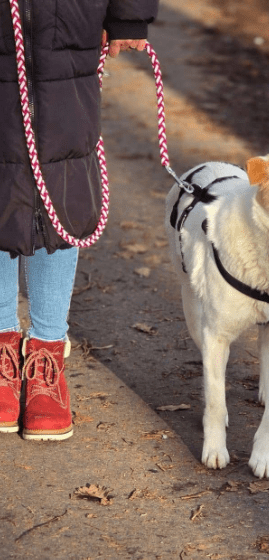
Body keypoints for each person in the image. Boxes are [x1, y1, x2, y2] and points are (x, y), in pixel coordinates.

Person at [0, 0, 158, 441]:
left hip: (70, 23)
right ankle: (2, 349)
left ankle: (47, 355)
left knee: (63, 184)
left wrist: (129, 12)